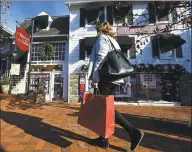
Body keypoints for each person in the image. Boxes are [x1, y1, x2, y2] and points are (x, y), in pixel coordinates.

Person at [87, 22, 144, 151]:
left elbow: (100, 57)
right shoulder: (113, 40)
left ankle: (132, 131)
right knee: (105, 108)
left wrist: (95, 77)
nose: (96, 32)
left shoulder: (102, 38)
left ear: (100, 29)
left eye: (96, 30)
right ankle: (103, 139)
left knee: (105, 108)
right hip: (114, 78)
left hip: (105, 78)